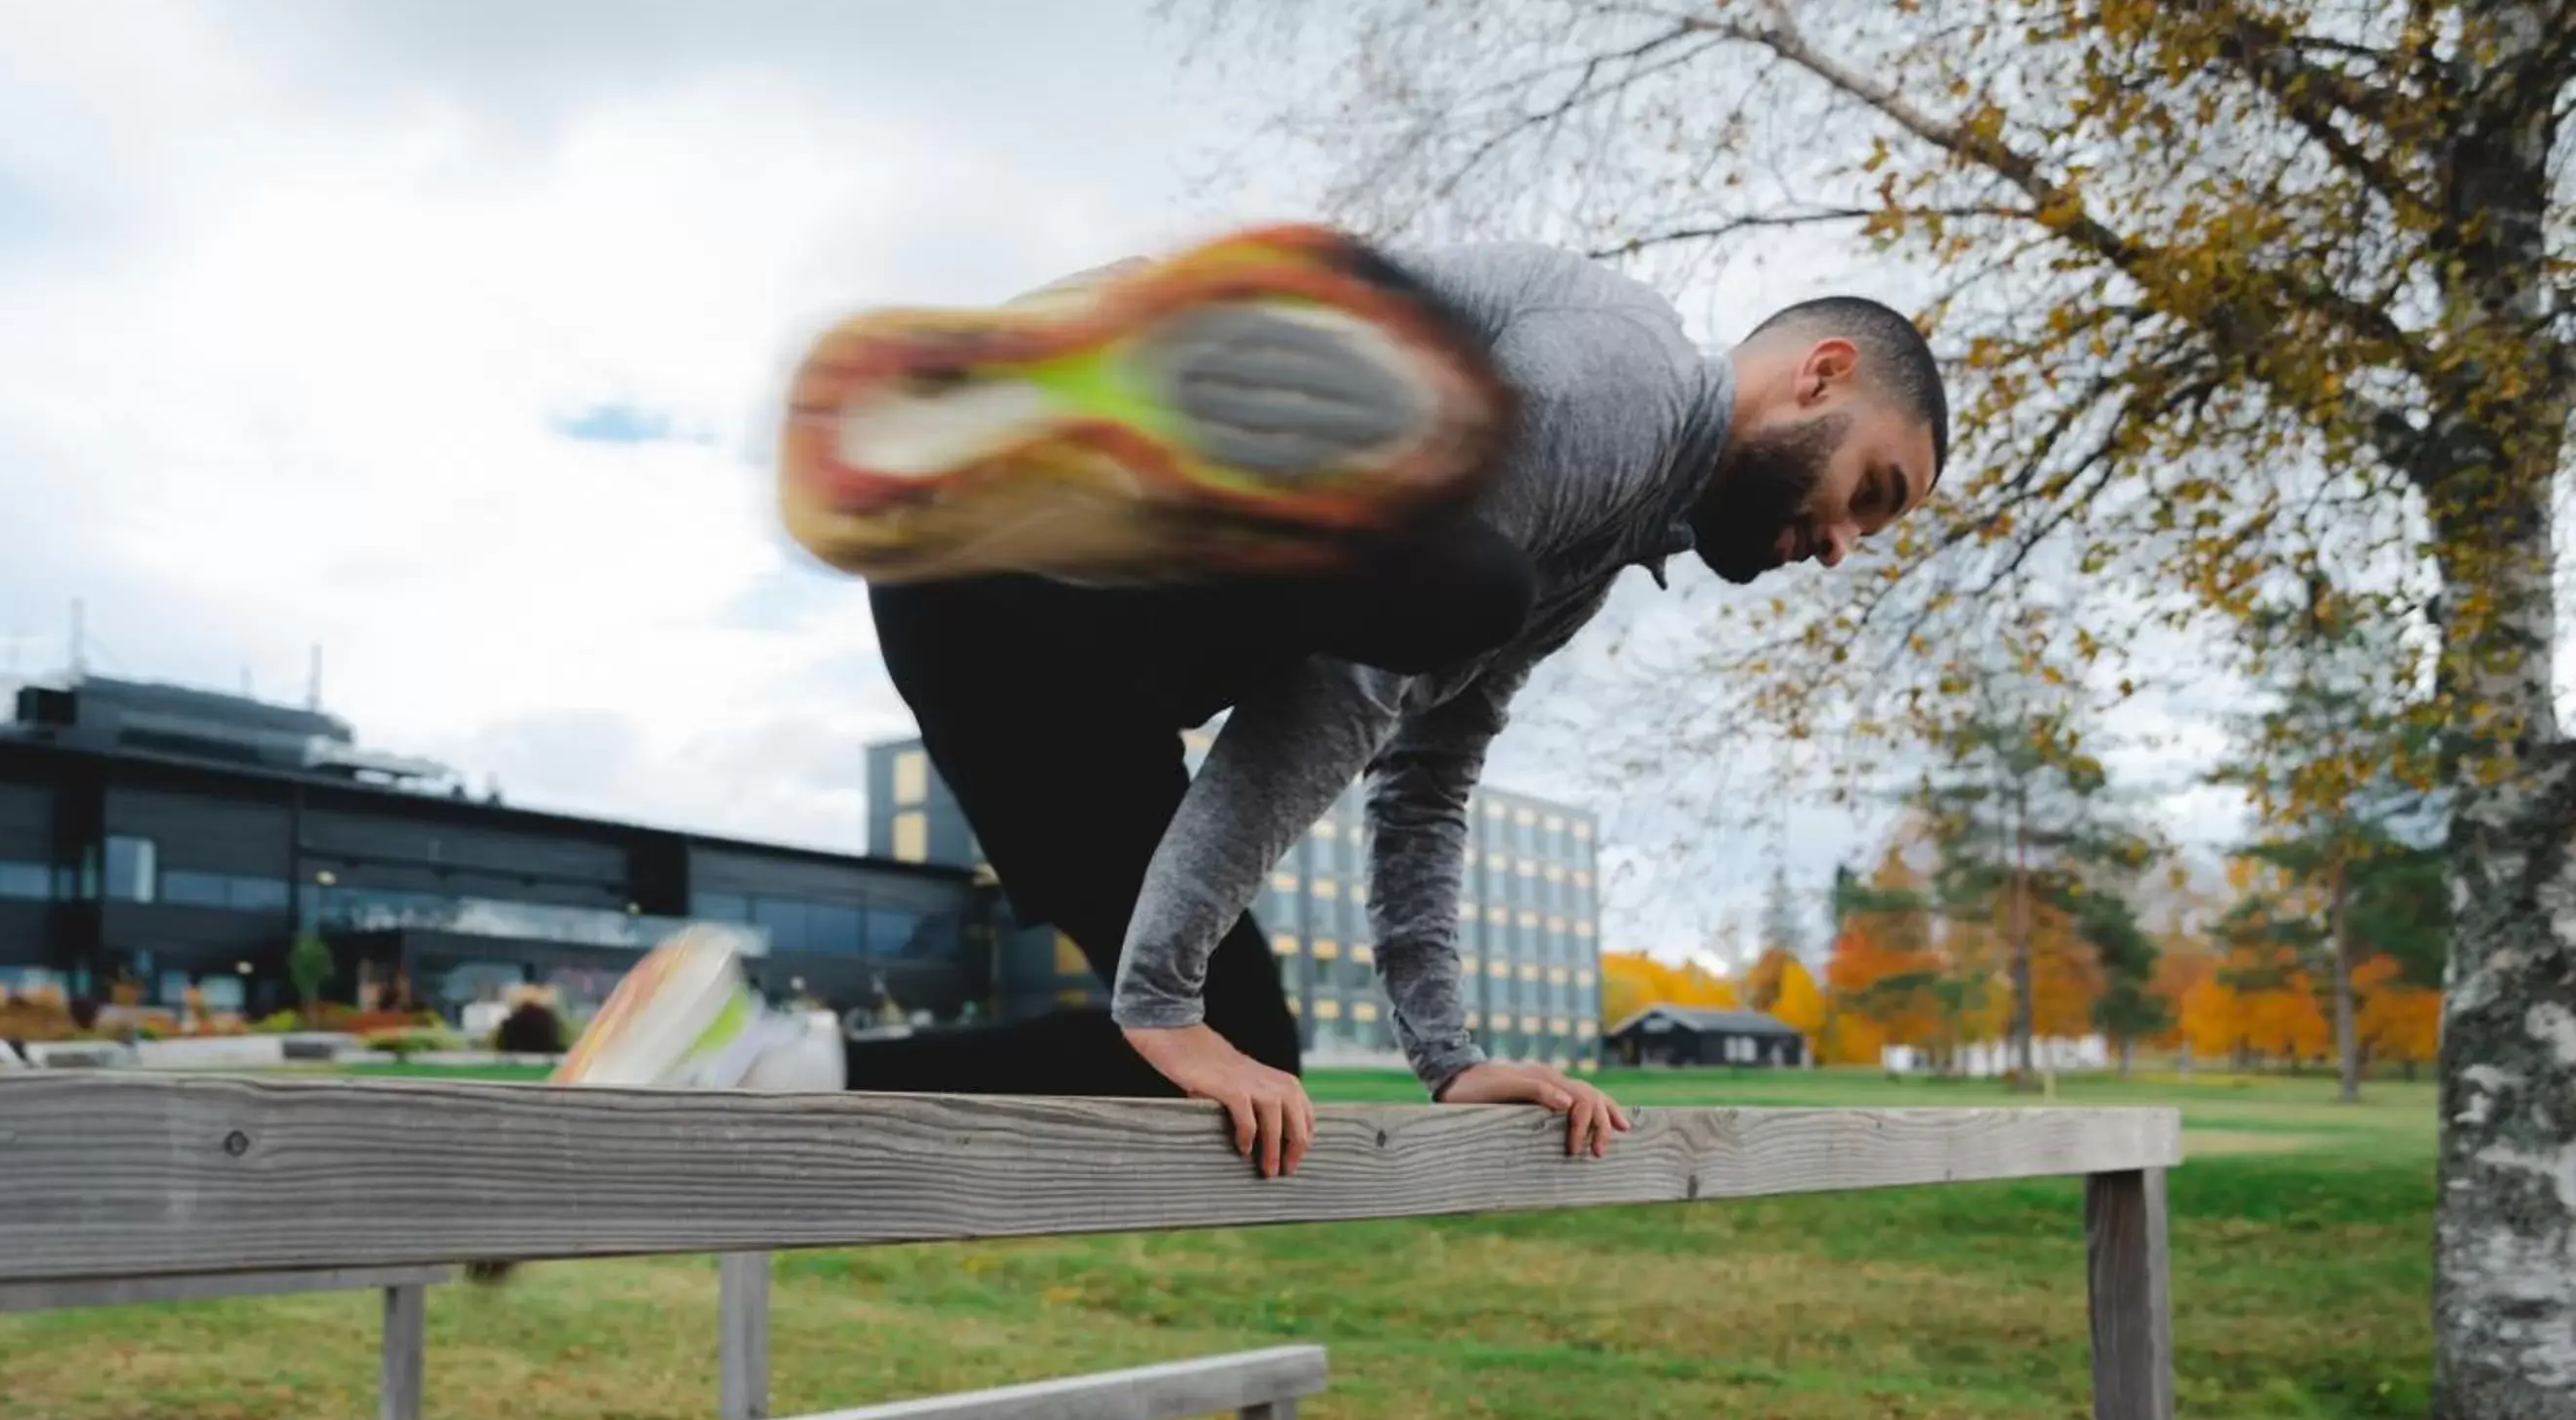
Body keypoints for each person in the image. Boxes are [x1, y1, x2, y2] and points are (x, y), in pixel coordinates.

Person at [556, 229, 1947, 1177]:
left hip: (1017, 657)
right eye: (1866, 495)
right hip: (1068, 592)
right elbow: (1349, 689)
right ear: (1819, 376)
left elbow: (1427, 778)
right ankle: (1135, 409)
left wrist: (1448, 1059)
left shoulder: (1579, 569)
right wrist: (1159, 988)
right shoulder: (1632, 377)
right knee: (1451, 581)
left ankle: (760, 1064)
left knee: (1243, 1053)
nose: (1836, 545)